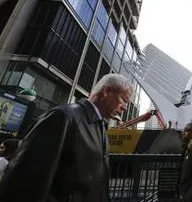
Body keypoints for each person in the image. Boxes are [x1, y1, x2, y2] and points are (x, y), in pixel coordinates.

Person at [0, 74, 133, 202]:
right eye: (124, 100)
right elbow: (26, 180)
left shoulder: (99, 126)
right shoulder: (63, 117)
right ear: (107, 91)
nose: (125, 108)